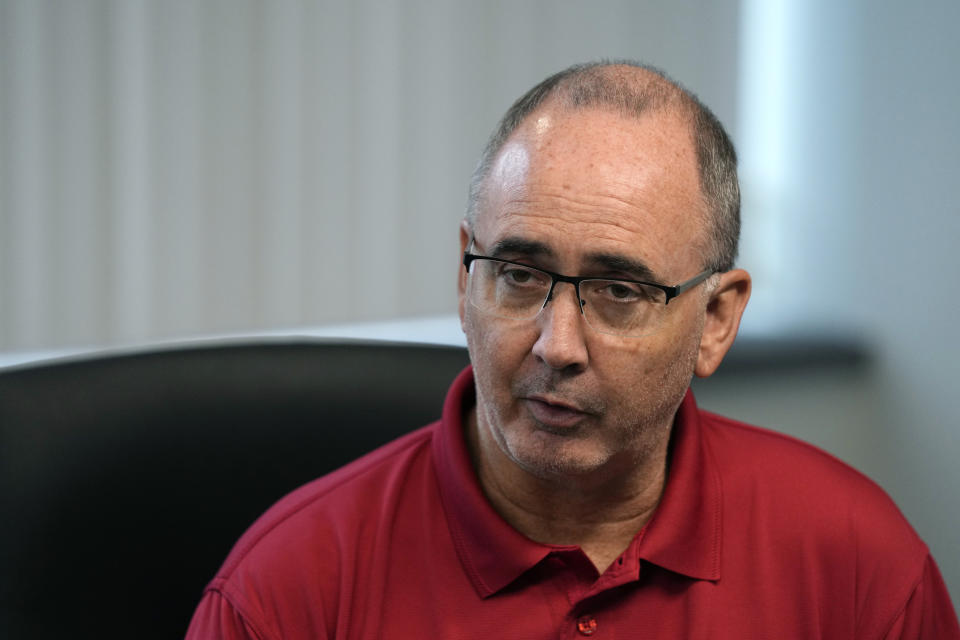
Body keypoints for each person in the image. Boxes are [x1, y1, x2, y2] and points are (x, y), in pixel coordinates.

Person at [186, 61, 959, 638]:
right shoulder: (287, 591)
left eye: (621, 292)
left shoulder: (858, 566)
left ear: (716, 320)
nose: (557, 346)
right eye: (519, 275)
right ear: (465, 279)